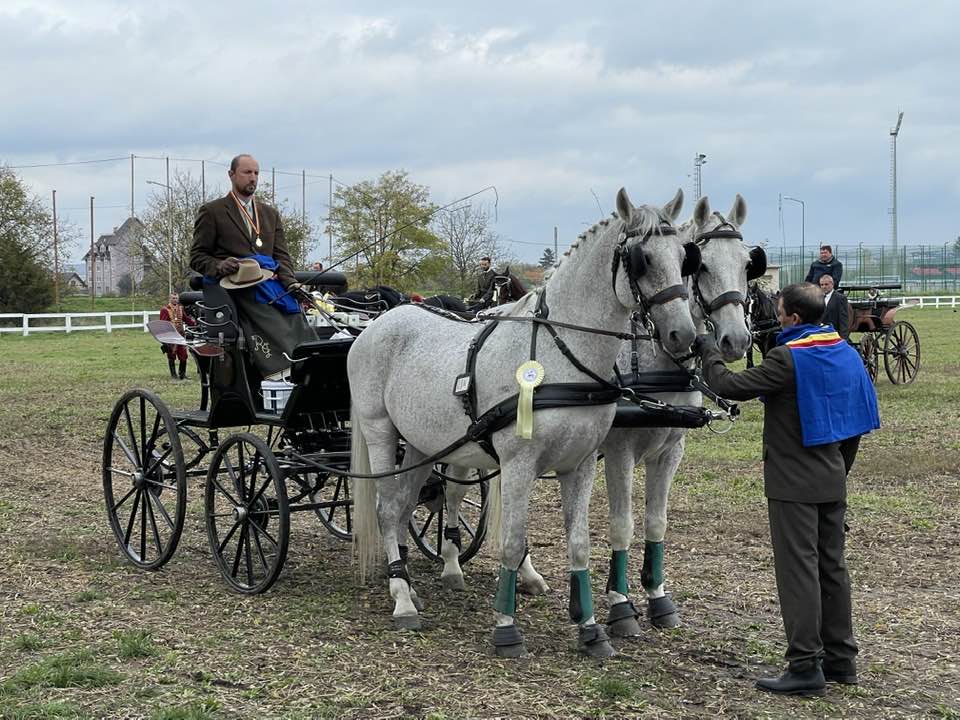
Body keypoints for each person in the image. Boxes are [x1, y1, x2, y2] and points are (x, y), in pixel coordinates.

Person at [695, 282, 880, 697]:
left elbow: (727, 385)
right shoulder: (843, 352)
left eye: (779, 314)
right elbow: (854, 423)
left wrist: (707, 347)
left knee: (798, 573)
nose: (776, 319)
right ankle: (840, 659)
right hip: (833, 477)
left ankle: (804, 665)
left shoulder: (787, 358)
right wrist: (838, 470)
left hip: (793, 484)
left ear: (794, 319)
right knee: (832, 569)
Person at [189, 153, 315, 378]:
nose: (253, 178)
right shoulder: (213, 211)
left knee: (295, 314)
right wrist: (219, 265)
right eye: (247, 172)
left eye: (256, 173)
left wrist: (292, 284)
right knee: (273, 319)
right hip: (235, 288)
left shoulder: (270, 214)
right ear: (231, 175)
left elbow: (282, 258)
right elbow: (197, 256)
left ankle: (308, 368)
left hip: (270, 286)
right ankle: (281, 372)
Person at [159, 293, 196, 380]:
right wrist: (163, 338)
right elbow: (163, 324)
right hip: (170, 336)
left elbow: (186, 319)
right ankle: (174, 375)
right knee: (171, 355)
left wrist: (194, 324)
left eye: (176, 298)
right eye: (173, 298)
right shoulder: (165, 309)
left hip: (181, 335)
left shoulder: (180, 308)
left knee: (183, 355)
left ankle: (182, 374)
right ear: (170, 299)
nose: (175, 300)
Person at [819, 275, 851, 339]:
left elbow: (843, 320)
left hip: (834, 335)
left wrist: (843, 339)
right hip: (820, 335)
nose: (824, 287)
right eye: (822, 285)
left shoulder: (840, 298)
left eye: (826, 284)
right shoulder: (818, 298)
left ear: (832, 284)